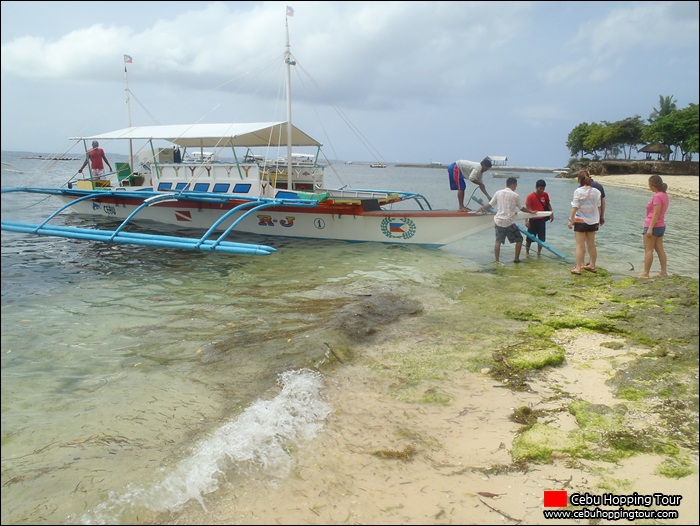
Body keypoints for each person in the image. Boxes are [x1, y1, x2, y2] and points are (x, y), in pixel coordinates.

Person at [476, 176, 535, 263]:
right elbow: (522, 208)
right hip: (509, 222)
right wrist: (531, 212)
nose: (516, 187)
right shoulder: (515, 195)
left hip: (498, 221)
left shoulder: (498, 193)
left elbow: (490, 205)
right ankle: (516, 259)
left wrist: (482, 208)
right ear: (513, 184)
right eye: (515, 185)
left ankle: (497, 260)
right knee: (519, 239)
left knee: (498, 241)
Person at [568, 170, 602, 275]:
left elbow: (575, 207)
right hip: (593, 221)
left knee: (580, 245)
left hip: (580, 220)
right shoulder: (597, 192)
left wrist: (570, 220)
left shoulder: (578, 191)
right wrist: (598, 219)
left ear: (579, 180)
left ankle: (579, 267)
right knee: (591, 244)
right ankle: (592, 265)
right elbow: (599, 207)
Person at [636, 175, 669, 278]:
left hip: (653, 225)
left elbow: (656, 213)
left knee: (648, 250)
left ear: (652, 185)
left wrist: (650, 228)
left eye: (649, 184)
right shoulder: (664, 195)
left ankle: (646, 273)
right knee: (660, 249)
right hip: (661, 226)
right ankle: (663, 272)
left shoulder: (657, 196)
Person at [524, 179, 554, 256]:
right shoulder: (530, 196)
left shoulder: (545, 195)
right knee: (529, 238)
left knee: (541, 238)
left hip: (542, 220)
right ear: (536, 187)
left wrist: (551, 214)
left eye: (543, 189)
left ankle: (539, 253)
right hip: (533, 220)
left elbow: (548, 204)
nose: (541, 190)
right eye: (540, 188)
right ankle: (527, 252)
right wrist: (526, 221)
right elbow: (527, 209)